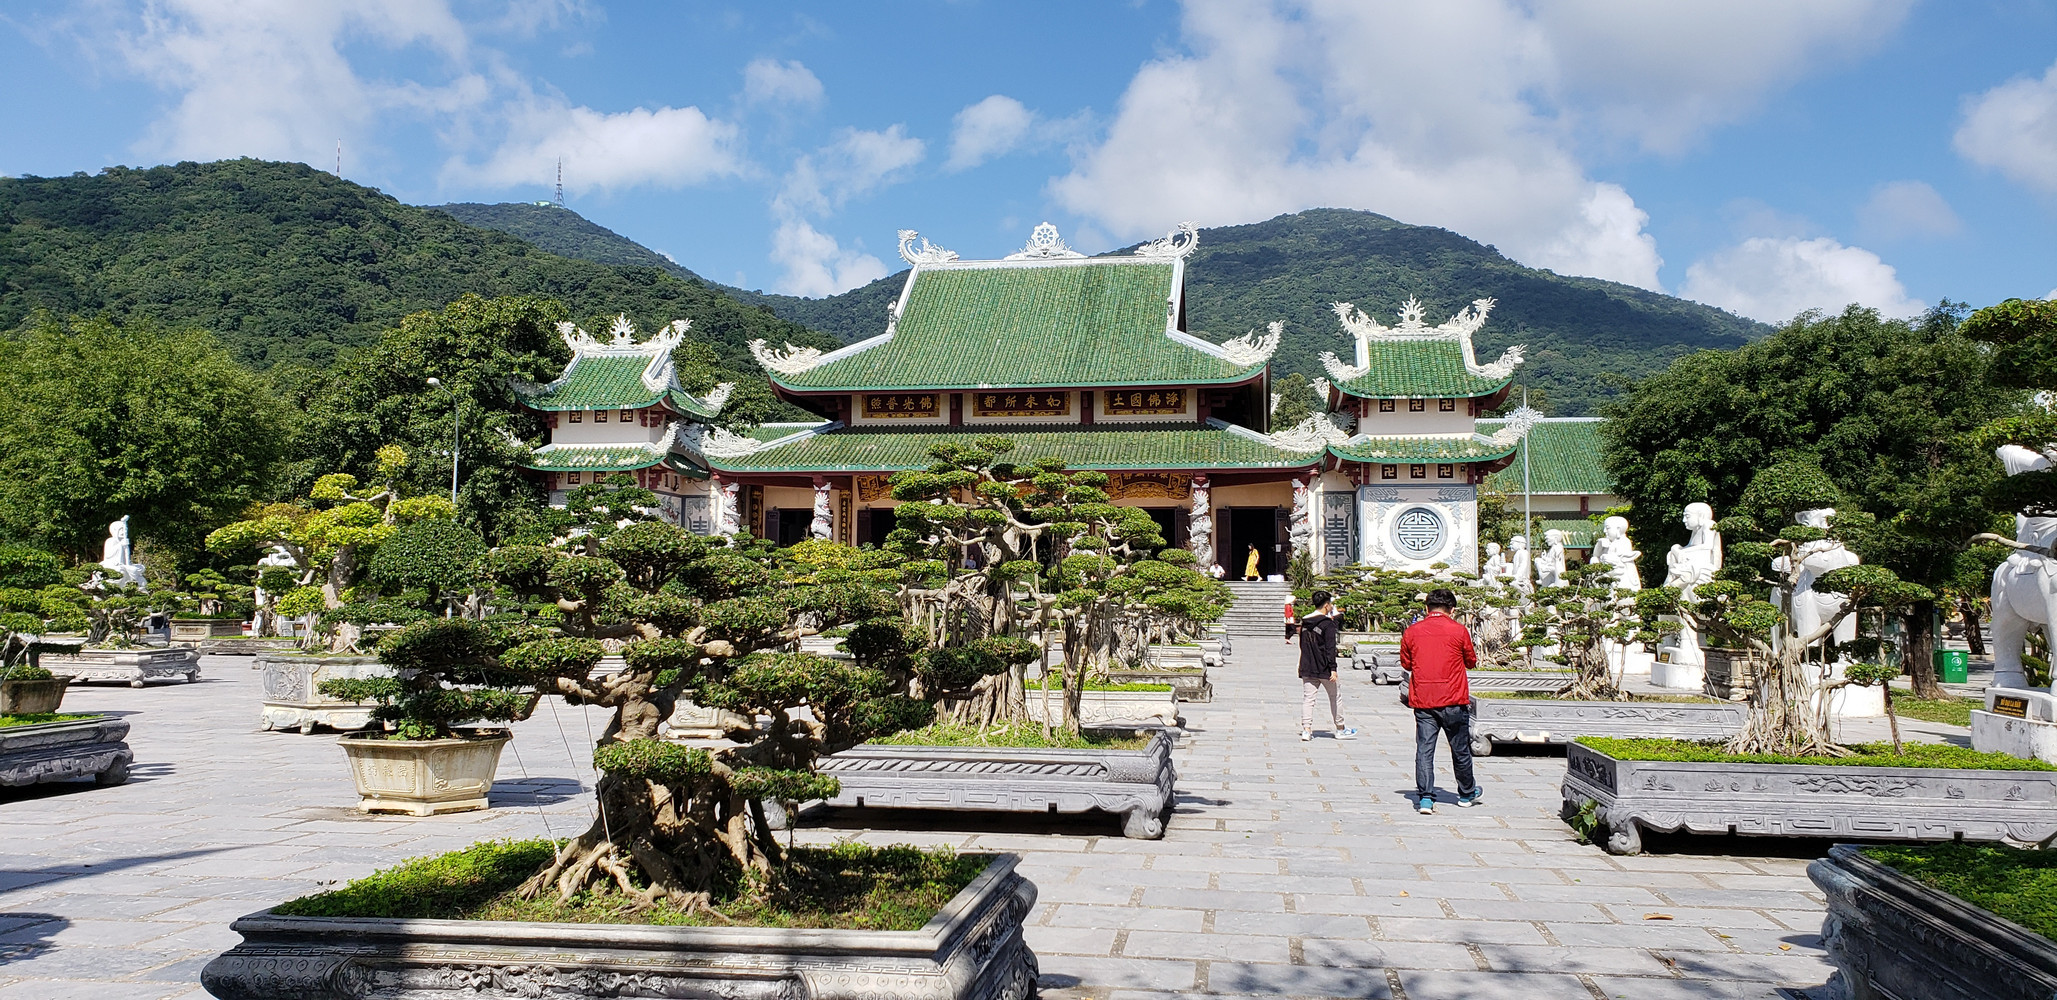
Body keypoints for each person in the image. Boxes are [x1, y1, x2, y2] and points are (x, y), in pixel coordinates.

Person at [1400, 587, 1480, 813]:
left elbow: (1406, 663)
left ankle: (1426, 798)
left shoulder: (1412, 632)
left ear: (1427, 608)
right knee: (1460, 749)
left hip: (1424, 699)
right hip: (1453, 698)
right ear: (1452, 610)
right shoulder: (1459, 631)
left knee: (1424, 750)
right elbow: (1471, 661)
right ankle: (1466, 793)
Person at [1297, 590, 1357, 742]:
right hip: (1324, 667)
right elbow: (1330, 648)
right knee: (1335, 697)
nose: (1331, 607)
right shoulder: (1327, 624)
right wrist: (1333, 669)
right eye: (1330, 604)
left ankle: (1306, 730)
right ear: (1326, 605)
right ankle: (1340, 728)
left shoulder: (1305, 622)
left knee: (1308, 699)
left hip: (1308, 665)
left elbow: (1302, 644)